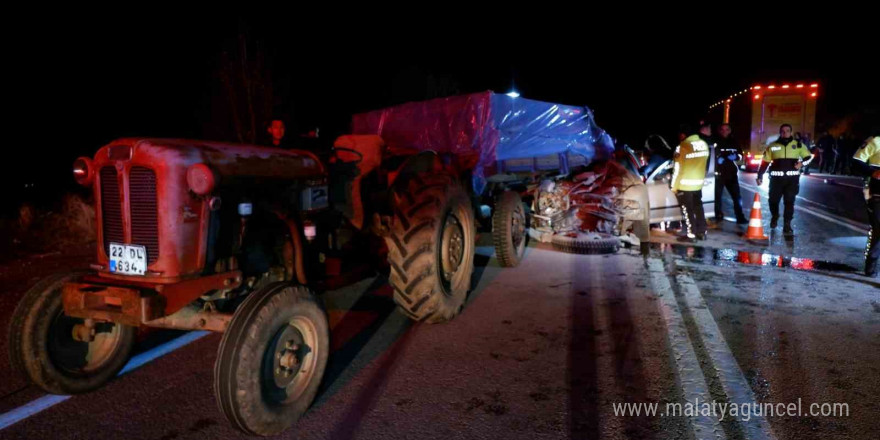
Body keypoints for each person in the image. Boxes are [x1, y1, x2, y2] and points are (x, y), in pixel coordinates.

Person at [756, 124, 813, 236]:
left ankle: (787, 224)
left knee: (789, 202)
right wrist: (760, 176)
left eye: (787, 131)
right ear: (780, 132)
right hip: (776, 180)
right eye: (782, 131)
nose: (785, 133)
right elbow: (764, 163)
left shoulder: (798, 145)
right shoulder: (772, 146)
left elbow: (808, 157)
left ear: (791, 132)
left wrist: (802, 163)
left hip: (792, 180)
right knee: (773, 201)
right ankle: (775, 216)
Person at [672, 122, 711, 242]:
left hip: (684, 185)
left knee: (687, 210)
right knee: (699, 208)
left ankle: (691, 235)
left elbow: (677, 168)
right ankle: (702, 232)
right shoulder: (703, 144)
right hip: (698, 184)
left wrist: (674, 186)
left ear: (683, 135)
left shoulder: (683, 146)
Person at [852, 132, 880, 277]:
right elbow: (856, 160)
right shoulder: (875, 140)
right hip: (876, 193)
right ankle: (871, 266)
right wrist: (873, 172)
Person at [713, 123, 748, 224]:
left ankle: (740, 217)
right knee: (717, 197)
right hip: (718, 173)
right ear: (719, 131)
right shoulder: (715, 141)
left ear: (730, 130)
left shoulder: (734, 142)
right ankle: (718, 215)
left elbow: (741, 155)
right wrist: (718, 159)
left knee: (737, 197)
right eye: (722, 129)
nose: (724, 131)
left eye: (726, 129)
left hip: (731, 174)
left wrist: (735, 157)